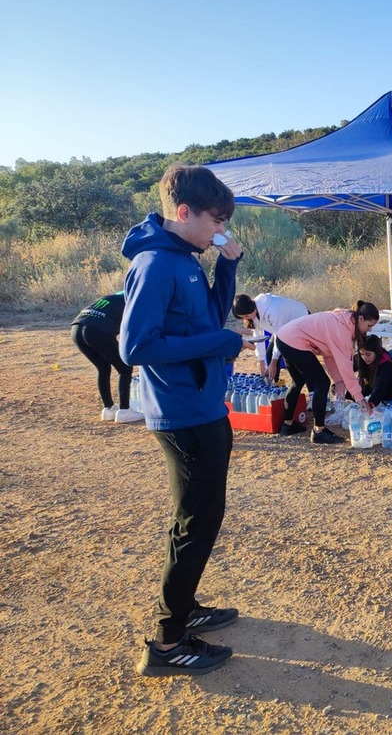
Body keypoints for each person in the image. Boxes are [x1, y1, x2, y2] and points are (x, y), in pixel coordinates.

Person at [120, 164, 252, 676]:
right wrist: (218, 345)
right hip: (181, 412)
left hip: (201, 405)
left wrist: (228, 266)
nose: (221, 230)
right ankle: (168, 642)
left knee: (200, 517)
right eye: (217, 221)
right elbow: (134, 346)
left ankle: (184, 607)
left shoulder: (188, 259)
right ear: (184, 212)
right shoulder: (156, 265)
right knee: (197, 522)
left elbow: (211, 319)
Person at [274, 301, 380, 444]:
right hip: (293, 341)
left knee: (298, 381)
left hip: (284, 337)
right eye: (369, 325)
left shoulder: (344, 319)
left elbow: (329, 355)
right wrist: (359, 397)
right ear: (360, 319)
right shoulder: (342, 331)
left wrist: (338, 381)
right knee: (322, 383)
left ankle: (287, 425)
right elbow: (346, 368)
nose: (369, 330)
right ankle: (319, 430)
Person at [71, 291, 144, 424]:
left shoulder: (115, 297)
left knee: (103, 368)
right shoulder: (136, 300)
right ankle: (124, 411)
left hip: (76, 329)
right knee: (125, 368)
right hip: (96, 330)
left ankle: (109, 409)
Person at [232, 292, 309, 382]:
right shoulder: (253, 314)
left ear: (250, 308)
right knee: (269, 355)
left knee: (290, 356)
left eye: (245, 316)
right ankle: (273, 384)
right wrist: (262, 364)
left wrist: (274, 362)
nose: (245, 319)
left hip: (302, 321)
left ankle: (308, 384)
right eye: (242, 317)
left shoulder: (271, 311)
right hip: (283, 328)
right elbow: (258, 338)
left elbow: (280, 336)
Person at [352, 334, 392, 407]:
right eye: (362, 354)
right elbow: (349, 366)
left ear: (376, 352)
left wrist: (370, 404)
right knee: (353, 392)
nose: (364, 357)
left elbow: (380, 387)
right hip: (371, 384)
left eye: (368, 355)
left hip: (389, 390)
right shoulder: (361, 357)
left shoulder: (386, 364)